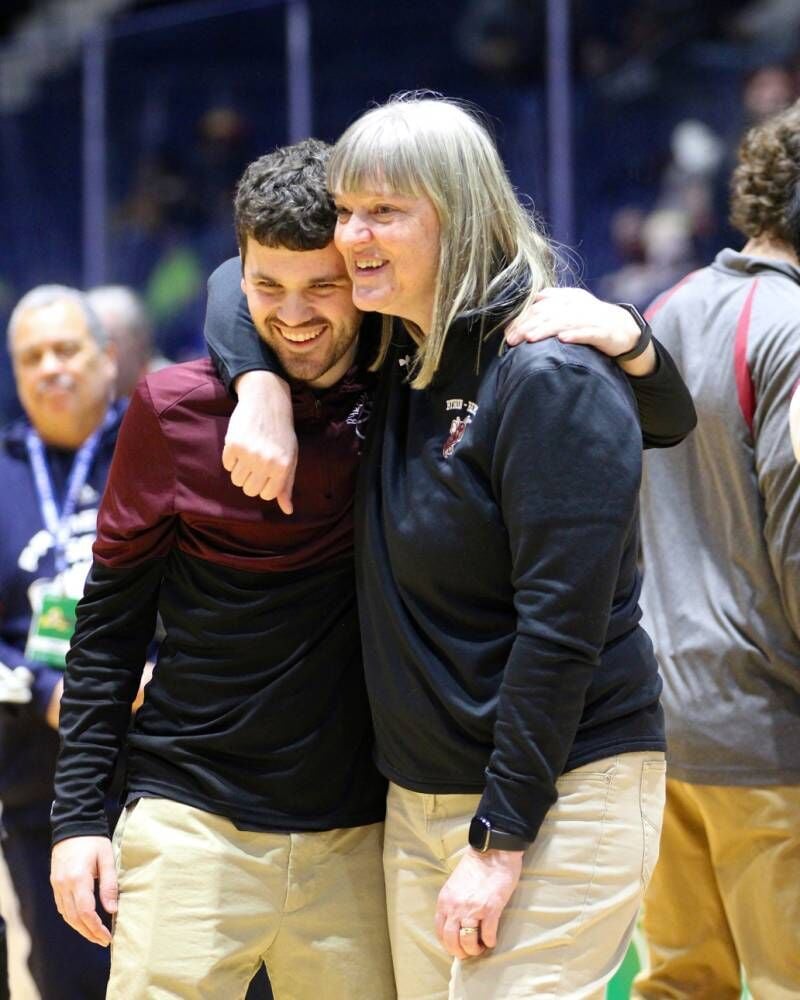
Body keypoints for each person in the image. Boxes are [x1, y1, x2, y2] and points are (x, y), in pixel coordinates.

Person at [205, 94, 697, 1000]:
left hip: (554, 792)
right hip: (421, 801)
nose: (352, 236)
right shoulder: (398, 343)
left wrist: (501, 842)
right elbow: (233, 282)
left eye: (384, 211)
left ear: (460, 214)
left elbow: (560, 631)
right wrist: (258, 390)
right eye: (347, 211)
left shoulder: (544, 367)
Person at [49, 140, 393, 1000]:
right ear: (238, 274)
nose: (296, 315)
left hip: (363, 837)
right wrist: (79, 818)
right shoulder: (171, 412)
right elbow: (110, 624)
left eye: (324, 287)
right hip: (188, 818)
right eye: (268, 287)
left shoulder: (408, 399)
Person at [631, 101, 800, 1000]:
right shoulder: (795, 331)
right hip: (772, 736)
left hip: (656, 730)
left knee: (676, 986)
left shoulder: (664, 309)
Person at [0, 285, 121, 1000]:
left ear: (108, 359)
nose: (50, 367)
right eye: (31, 357)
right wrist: (46, 691)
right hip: (37, 787)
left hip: (163, 781)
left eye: (66, 349)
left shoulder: (161, 444)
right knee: (71, 984)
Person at [86, 284, 168, 398]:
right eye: (90, 341)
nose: (94, 353)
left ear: (139, 344)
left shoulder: (173, 393)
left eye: (105, 342)